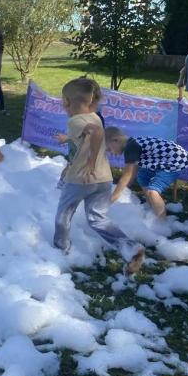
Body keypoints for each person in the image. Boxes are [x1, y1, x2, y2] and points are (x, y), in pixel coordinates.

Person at [54, 78, 145, 274]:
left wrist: (90, 160)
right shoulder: (95, 116)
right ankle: (130, 247)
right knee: (98, 219)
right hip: (103, 179)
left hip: (80, 179)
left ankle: (60, 248)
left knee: (64, 215)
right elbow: (89, 134)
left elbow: (94, 133)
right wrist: (67, 138)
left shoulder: (75, 120)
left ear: (67, 102)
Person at [105, 127, 188, 219]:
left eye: (109, 149)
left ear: (115, 140)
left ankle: (161, 222)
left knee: (152, 192)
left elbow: (128, 175)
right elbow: (132, 174)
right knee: (142, 176)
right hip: (168, 159)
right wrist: (123, 189)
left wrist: (114, 197)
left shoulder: (131, 147)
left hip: (176, 161)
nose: (111, 153)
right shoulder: (132, 143)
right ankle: (152, 206)